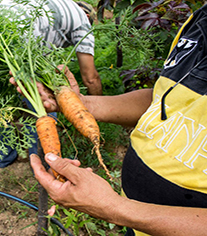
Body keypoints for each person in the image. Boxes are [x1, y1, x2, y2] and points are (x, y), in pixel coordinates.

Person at [23, 4, 207, 236]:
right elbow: (168, 99)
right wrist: (82, 104)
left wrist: (115, 208)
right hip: (140, 225)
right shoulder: (198, 22)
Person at [0, 0, 102, 168]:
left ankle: (5, 158)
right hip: (17, 37)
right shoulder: (81, 21)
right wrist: (97, 106)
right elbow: (90, 77)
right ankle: (44, 162)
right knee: (43, 108)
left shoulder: (55, 6)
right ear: (87, 16)